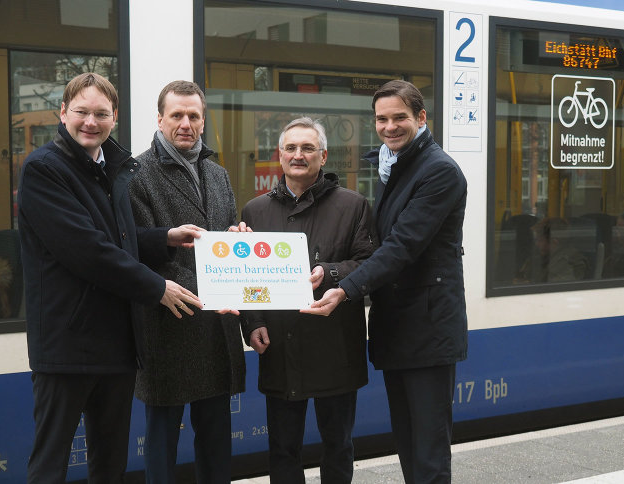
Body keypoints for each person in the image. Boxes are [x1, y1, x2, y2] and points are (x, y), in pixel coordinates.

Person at [17, 72, 203, 484]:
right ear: (62, 113)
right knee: (50, 464)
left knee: (110, 465)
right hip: (66, 345)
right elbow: (86, 250)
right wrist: (157, 287)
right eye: (81, 112)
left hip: (116, 342)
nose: (91, 122)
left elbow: (116, 237)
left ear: (114, 117)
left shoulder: (112, 167)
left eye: (101, 113)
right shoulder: (44, 169)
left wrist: (165, 238)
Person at [304, 79, 468, 484]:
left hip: (428, 329)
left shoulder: (439, 171)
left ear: (421, 117)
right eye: (381, 119)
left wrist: (345, 289)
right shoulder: (395, 164)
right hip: (400, 326)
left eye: (400, 118)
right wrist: (336, 270)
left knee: (428, 450)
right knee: (409, 442)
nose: (389, 126)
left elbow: (401, 246)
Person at [234, 117, 376, 483]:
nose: (299, 155)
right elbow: (247, 279)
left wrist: (327, 272)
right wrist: (252, 322)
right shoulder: (254, 211)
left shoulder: (354, 206)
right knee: (282, 449)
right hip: (279, 348)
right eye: (291, 148)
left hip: (335, 348)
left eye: (308, 148)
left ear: (324, 156)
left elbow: (369, 264)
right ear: (279, 155)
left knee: (338, 445)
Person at [129, 80, 245, 484]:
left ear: (203, 120)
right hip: (169, 323)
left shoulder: (218, 175)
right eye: (176, 115)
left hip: (217, 327)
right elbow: (140, 252)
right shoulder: (137, 174)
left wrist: (238, 243)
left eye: (194, 116)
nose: (186, 123)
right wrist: (213, 287)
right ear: (160, 119)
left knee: (216, 442)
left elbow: (223, 242)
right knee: (162, 441)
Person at [517, 217, 588, 283]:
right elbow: (523, 277)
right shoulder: (541, 255)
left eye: (540, 240)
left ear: (554, 242)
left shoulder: (569, 262)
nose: (537, 244)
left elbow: (554, 290)